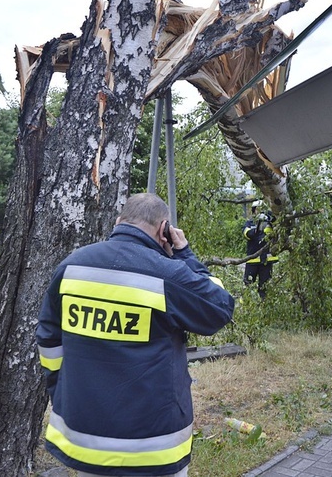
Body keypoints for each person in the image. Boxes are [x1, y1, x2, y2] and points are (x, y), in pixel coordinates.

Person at [36, 193, 235, 477]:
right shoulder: (167, 274)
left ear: (119, 222)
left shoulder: (71, 267)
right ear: (163, 229)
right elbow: (220, 306)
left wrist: (61, 393)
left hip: (86, 437)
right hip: (153, 446)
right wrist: (186, 254)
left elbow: (48, 339)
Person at [242, 200, 278, 299]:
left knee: (265, 288)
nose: (260, 212)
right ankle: (246, 308)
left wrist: (270, 219)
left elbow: (277, 230)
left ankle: (264, 308)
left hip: (266, 261)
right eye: (258, 209)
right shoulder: (249, 223)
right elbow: (248, 234)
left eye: (263, 210)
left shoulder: (270, 224)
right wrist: (258, 227)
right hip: (252, 260)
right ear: (254, 211)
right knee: (248, 286)